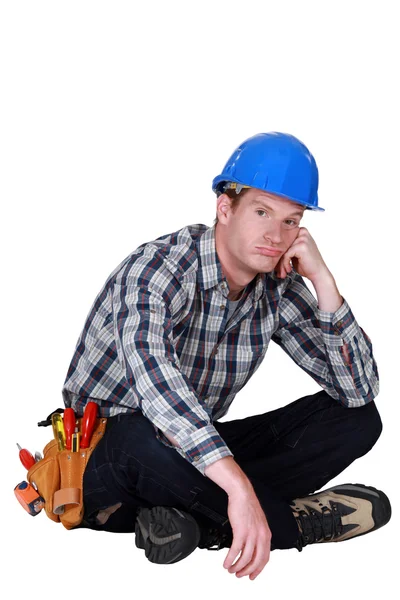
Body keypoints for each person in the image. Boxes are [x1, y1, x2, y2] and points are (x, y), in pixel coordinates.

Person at [63, 132, 391, 580]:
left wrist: (325, 284)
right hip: (105, 458)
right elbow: (159, 391)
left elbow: (358, 390)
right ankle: (288, 524)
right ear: (225, 208)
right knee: (137, 438)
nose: (276, 235)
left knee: (358, 420)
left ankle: (189, 522)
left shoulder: (277, 285)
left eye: (292, 221)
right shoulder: (155, 269)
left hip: (191, 454)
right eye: (262, 212)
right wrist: (238, 487)